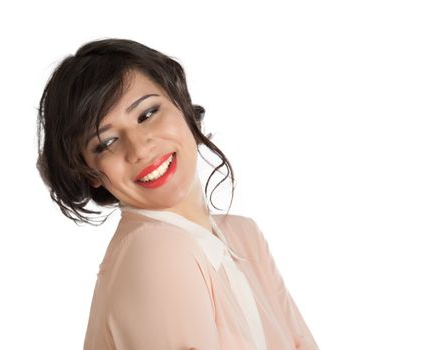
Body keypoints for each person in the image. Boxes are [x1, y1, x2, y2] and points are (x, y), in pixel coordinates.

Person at [36, 38, 319, 350]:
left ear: (180, 103)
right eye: (106, 143)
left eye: (147, 114)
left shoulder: (243, 237)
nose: (139, 148)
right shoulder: (155, 249)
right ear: (91, 174)